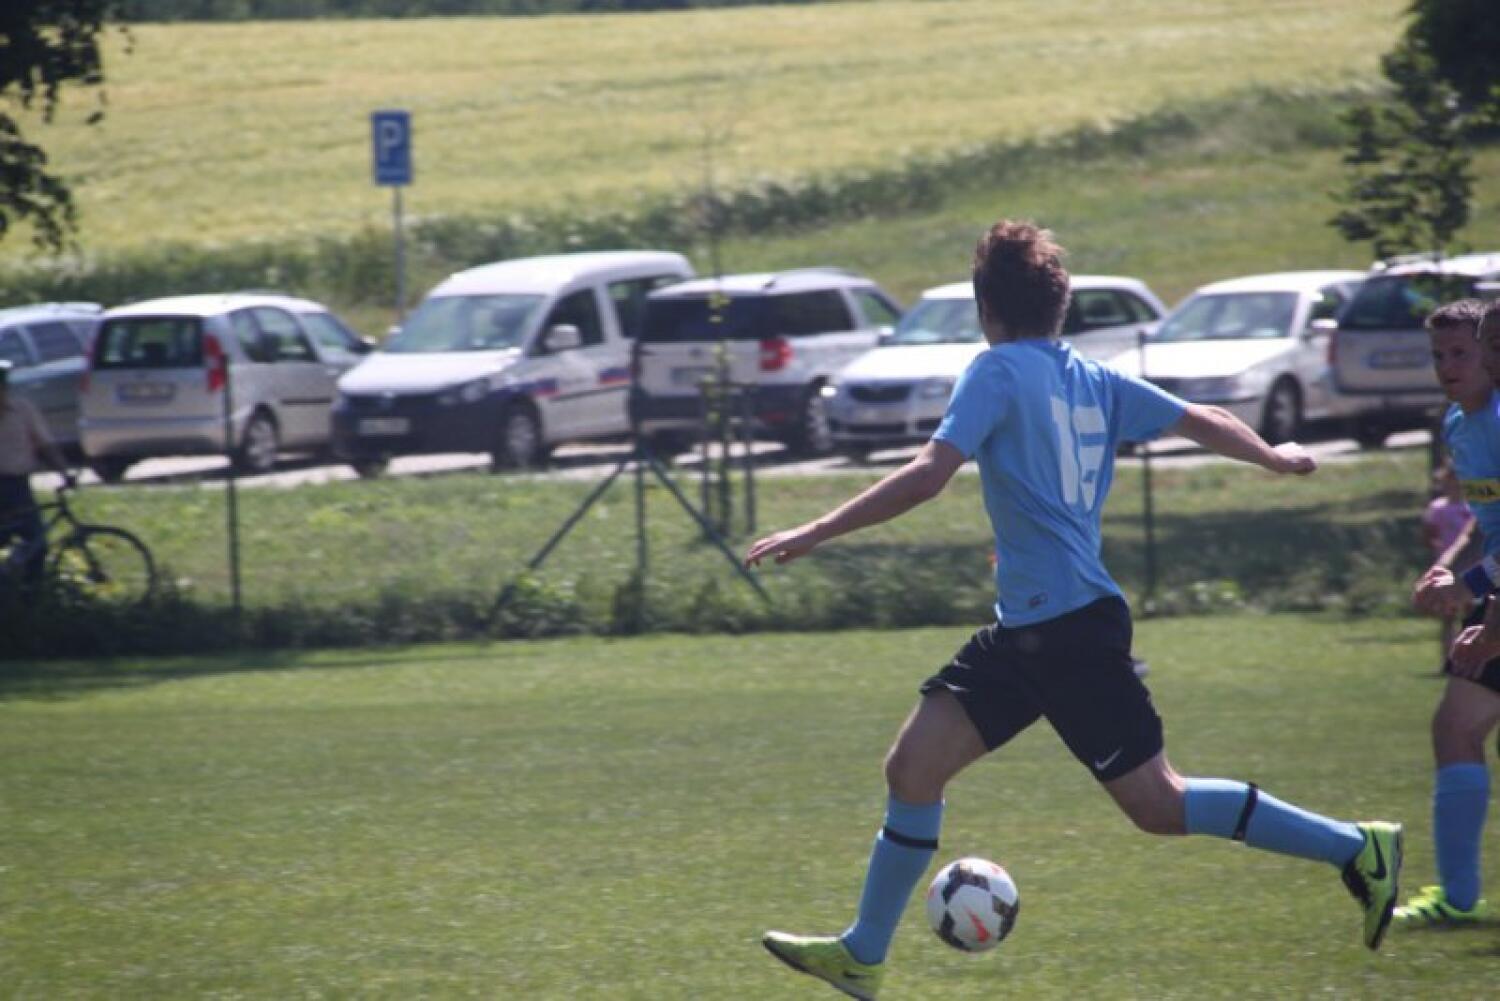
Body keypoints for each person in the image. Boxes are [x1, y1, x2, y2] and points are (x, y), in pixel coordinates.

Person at [745, 221, 1402, 1001]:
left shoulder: (994, 370)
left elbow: (928, 474)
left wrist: (816, 530)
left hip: (1067, 628)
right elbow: (1199, 417)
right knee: (912, 768)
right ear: (1058, 307)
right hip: (1032, 627)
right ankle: (863, 955)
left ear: (987, 309)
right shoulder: (1093, 377)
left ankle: (1355, 847)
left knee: (1160, 802)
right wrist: (1272, 454)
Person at [1404, 299, 1500, 927]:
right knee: (1456, 728)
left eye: (1462, 352)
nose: (1448, 365)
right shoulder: (1460, 424)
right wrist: (1448, 567)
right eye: (1439, 355)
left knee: (1457, 726)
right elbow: (1485, 521)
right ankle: (1458, 898)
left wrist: (1469, 587)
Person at [0, 360, 73, 585]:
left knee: (36, 543)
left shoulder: (22, 410)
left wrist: (64, 472)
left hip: (17, 485)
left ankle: (28, 592)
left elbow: (45, 445)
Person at [1421, 458, 1476, 663]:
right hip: (1448, 566)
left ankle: (1471, 657)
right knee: (1448, 614)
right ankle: (1449, 658)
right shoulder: (1438, 508)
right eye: (1451, 478)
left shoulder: (1473, 507)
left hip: (1473, 565)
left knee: (1473, 612)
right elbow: (1428, 536)